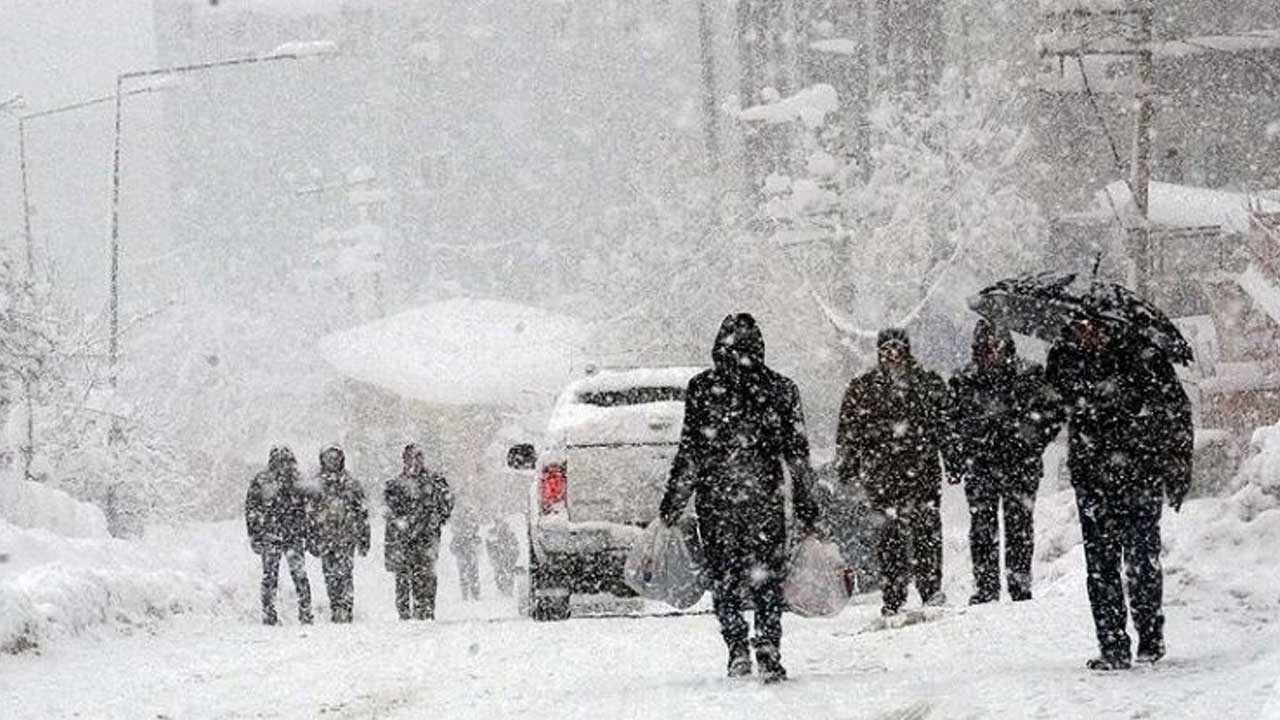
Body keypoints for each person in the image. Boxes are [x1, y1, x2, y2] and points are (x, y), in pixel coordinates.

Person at [659, 312, 819, 684]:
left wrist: (673, 502)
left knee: (725, 578)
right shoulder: (780, 389)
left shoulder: (702, 388)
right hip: (764, 499)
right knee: (767, 580)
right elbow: (797, 455)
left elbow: (691, 453)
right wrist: (808, 505)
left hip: (718, 501)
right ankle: (768, 647)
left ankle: (736, 648)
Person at [1047, 318, 1192, 670]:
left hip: (1139, 475)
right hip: (1093, 479)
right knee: (1101, 566)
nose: (1088, 334)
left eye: (1094, 327)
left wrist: (1177, 468)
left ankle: (1150, 637)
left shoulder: (1142, 356)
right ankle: (1112, 644)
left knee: (1141, 560)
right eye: (1080, 327)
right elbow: (1048, 410)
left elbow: (1175, 412)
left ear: (1109, 327)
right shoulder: (1065, 360)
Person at [945, 319, 1061, 605]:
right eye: (985, 347)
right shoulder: (963, 381)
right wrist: (957, 457)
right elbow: (948, 424)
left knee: (1019, 526)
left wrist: (1033, 440)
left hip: (1020, 464)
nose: (992, 353)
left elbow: (1053, 413)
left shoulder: (1030, 375)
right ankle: (986, 587)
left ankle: (1019, 585)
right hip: (981, 464)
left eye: (996, 346)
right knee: (983, 527)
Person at [836, 327, 950, 617]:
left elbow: (946, 427)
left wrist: (954, 460)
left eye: (898, 348)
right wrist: (848, 469)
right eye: (887, 349)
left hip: (921, 471)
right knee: (889, 538)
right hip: (882, 474)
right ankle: (894, 595)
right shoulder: (863, 388)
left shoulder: (927, 383)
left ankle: (930, 588)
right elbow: (849, 433)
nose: (892, 355)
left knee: (926, 532)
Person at [244, 446, 313, 625]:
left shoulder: (290, 481)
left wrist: (255, 533)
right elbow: (252, 509)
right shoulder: (268, 480)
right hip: (279, 535)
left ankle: (291, 613)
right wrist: (254, 534)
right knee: (283, 576)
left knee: (282, 576)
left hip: (283, 534)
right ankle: (296, 612)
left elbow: (308, 510)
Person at [385, 444, 454, 620]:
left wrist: (436, 518)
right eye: (410, 458)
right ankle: (405, 612)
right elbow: (391, 510)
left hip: (426, 537)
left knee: (426, 575)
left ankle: (426, 610)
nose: (414, 463)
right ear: (404, 460)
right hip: (403, 537)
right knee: (403, 576)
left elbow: (447, 502)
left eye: (418, 458)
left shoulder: (435, 481)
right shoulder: (395, 484)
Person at [309, 445, 370, 623]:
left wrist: (364, 538)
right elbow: (309, 514)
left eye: (335, 458)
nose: (333, 462)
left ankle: (346, 608)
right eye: (329, 458)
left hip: (346, 537)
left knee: (345, 574)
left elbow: (362, 513)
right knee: (330, 575)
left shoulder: (351, 483)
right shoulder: (316, 484)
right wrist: (311, 537)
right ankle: (335, 606)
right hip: (325, 537)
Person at [450, 505, 483, 601]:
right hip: (467, 553)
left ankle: (469, 593)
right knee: (472, 574)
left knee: (467, 574)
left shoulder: (460, 532)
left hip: (465, 553)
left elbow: (453, 546)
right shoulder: (469, 530)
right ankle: (473, 593)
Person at [486, 519, 519, 597]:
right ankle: (503, 589)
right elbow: (489, 546)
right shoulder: (493, 533)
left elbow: (515, 545)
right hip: (500, 556)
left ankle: (508, 590)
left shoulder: (509, 534)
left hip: (507, 556)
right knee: (501, 572)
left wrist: (514, 555)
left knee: (507, 573)